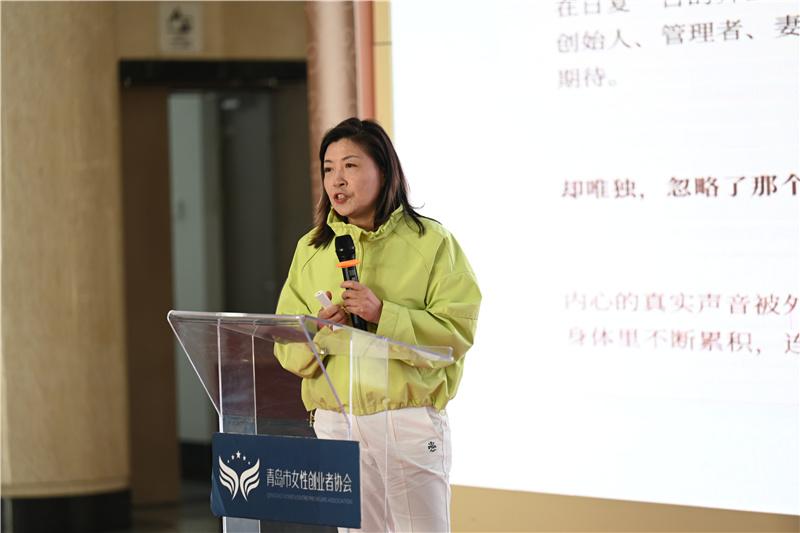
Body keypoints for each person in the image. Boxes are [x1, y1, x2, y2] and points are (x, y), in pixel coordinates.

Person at [274, 117, 481, 532]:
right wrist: (318, 333)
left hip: (406, 420)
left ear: (383, 171)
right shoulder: (312, 248)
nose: (337, 180)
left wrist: (383, 315)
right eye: (328, 168)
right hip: (336, 423)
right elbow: (285, 343)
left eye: (350, 166)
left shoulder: (432, 242)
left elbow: (455, 333)